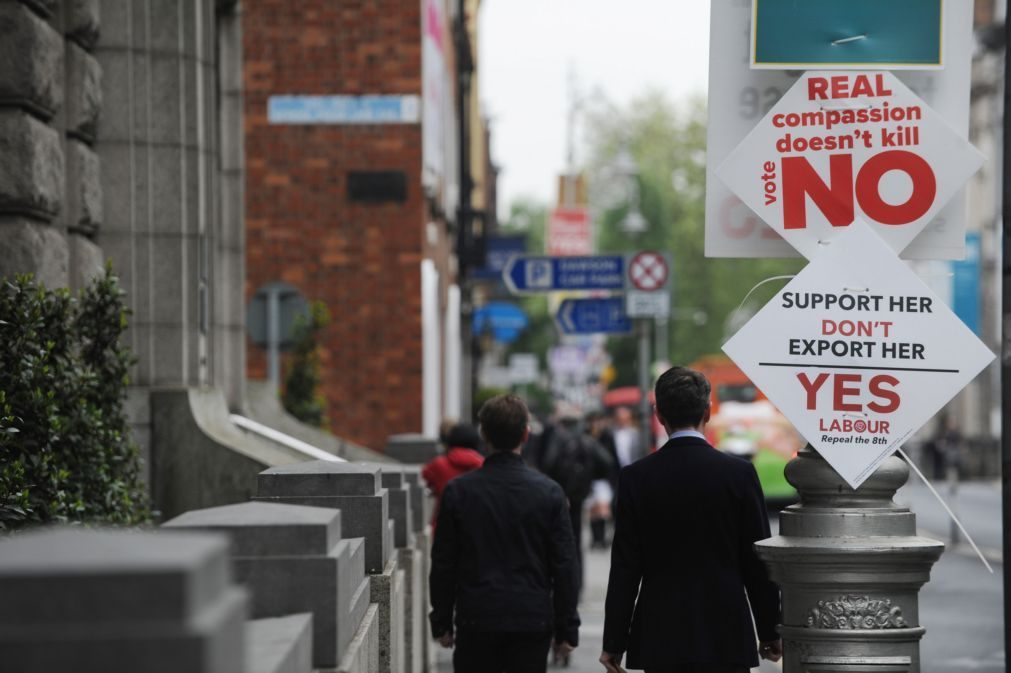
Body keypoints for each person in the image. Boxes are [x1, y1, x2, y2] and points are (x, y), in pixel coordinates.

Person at [600, 366, 781, 673]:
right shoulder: (739, 475)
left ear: (659, 415)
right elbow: (757, 561)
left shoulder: (636, 478)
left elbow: (625, 568)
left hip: (661, 636)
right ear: (708, 412)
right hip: (726, 634)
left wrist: (614, 642)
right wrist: (769, 630)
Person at [430, 394, 580, 673]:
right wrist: (567, 627)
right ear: (526, 433)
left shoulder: (459, 492)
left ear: (484, 434)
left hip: (476, 617)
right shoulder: (550, 493)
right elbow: (564, 565)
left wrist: (441, 621)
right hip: (531, 618)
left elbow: (444, 562)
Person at [422, 423, 485, 531]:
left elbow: (425, 478)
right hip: (477, 525)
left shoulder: (438, 464)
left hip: (444, 525)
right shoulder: (484, 465)